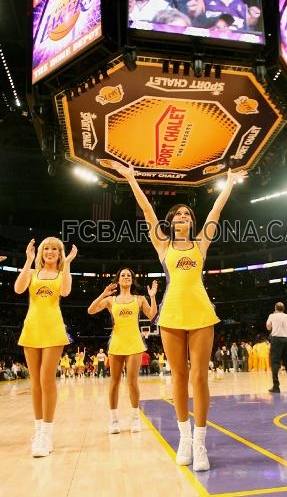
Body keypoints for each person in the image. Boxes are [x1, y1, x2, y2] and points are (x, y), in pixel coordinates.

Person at [99, 158, 246, 471]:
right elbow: (148, 211)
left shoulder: (200, 244)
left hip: (202, 314)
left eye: (187, 214)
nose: (183, 216)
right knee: (178, 377)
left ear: (191, 222)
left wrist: (230, 182)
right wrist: (130, 179)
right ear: (171, 222)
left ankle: (202, 443)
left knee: (200, 377)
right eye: (178, 214)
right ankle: (185, 437)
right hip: (171, 316)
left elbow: (216, 212)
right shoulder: (163, 246)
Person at [15, 237, 77, 457]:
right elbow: (18, 288)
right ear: (40, 252)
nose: (50, 252)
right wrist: (28, 260)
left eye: (55, 249)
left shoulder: (61, 275)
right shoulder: (32, 273)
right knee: (35, 383)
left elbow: (67, 291)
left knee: (46, 380)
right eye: (46, 248)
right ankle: (38, 430)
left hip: (53, 330)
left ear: (60, 254)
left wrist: (68, 264)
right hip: (31, 329)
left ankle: (47, 435)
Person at [88, 268, 157, 434]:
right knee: (114, 383)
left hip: (134, 343)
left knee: (132, 382)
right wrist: (103, 294)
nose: (126, 277)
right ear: (118, 280)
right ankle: (113, 420)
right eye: (123, 275)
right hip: (117, 343)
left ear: (132, 280)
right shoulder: (111, 300)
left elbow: (152, 316)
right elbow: (90, 310)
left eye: (129, 275)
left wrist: (153, 297)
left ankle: (135, 418)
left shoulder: (139, 299)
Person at [266, 303, 287, 393]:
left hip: (276, 340)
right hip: (285, 340)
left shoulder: (272, 315)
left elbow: (268, 327)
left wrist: (273, 319)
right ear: (283, 309)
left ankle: (276, 387)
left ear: (275, 308)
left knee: (275, 364)